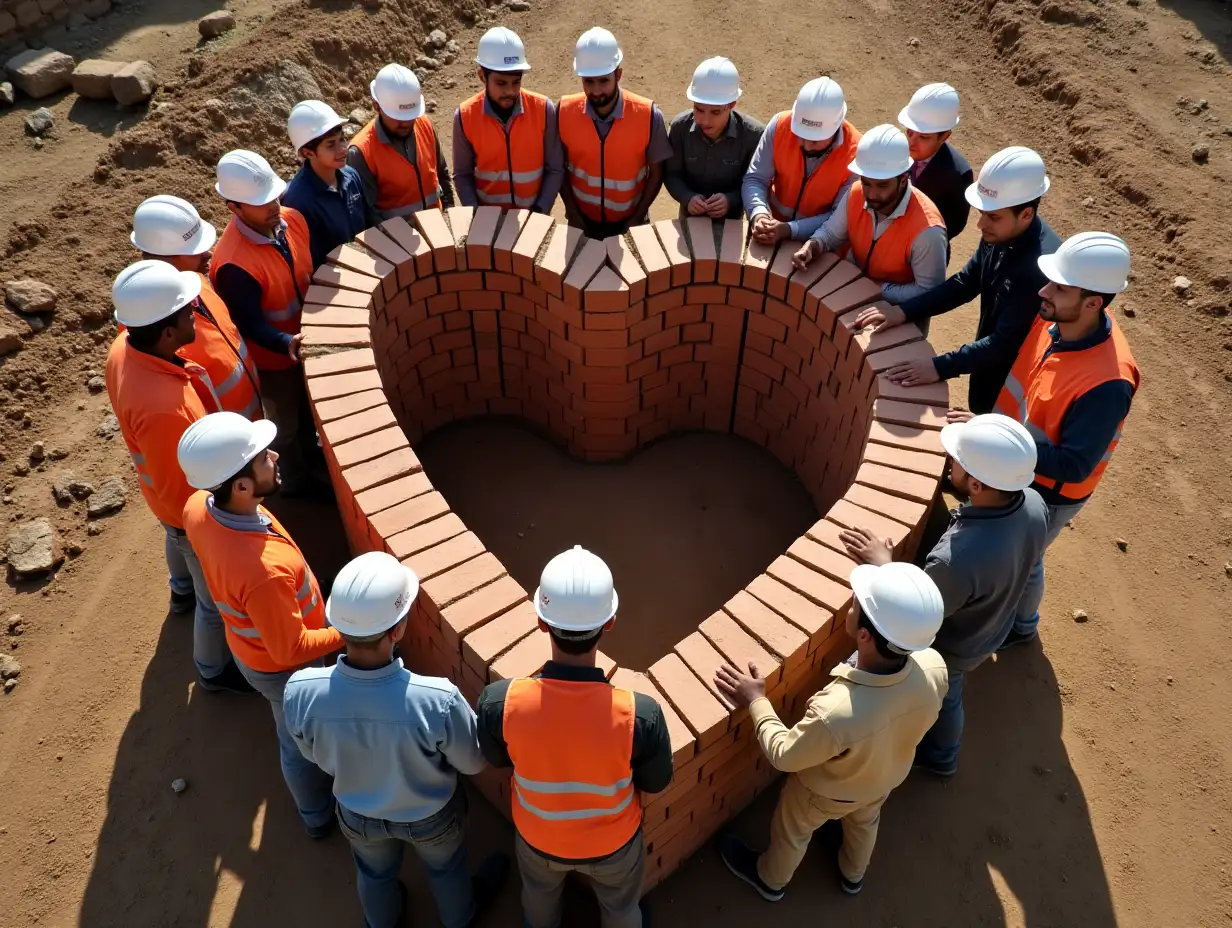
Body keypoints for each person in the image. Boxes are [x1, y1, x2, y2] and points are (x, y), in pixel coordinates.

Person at [284, 551, 509, 928]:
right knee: (447, 869)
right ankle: (461, 919)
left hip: (358, 814)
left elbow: (312, 754)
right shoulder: (437, 699)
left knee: (374, 874)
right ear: (397, 630)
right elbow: (473, 762)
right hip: (432, 817)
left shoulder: (300, 691)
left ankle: (382, 922)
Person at [715, 562, 947, 899]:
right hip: (882, 780)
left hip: (825, 793)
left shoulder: (837, 713)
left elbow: (784, 754)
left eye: (855, 604)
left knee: (793, 830)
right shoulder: (933, 666)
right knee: (864, 823)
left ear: (864, 636)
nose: (850, 605)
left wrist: (756, 701)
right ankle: (853, 875)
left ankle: (770, 880)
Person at [477, 545, 674, 928]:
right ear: (611, 621)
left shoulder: (502, 702)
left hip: (537, 837)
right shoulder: (639, 714)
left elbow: (497, 757)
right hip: (614, 846)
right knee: (621, 908)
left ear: (541, 622)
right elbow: (658, 780)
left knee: (538, 894)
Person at [840, 414, 1047, 777]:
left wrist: (886, 565)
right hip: (995, 623)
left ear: (978, 485)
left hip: (958, 647)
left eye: (958, 461)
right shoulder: (1032, 502)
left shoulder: (955, 560)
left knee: (948, 693)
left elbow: (917, 612)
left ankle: (942, 755)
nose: (950, 461)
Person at [178, 412, 341, 837]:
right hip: (281, 668)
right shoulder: (263, 573)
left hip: (251, 645)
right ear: (242, 486)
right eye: (262, 458)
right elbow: (290, 650)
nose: (273, 455)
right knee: (297, 743)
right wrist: (351, 631)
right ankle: (317, 817)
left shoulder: (198, 506)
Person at [105, 261, 253, 694]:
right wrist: (212, 528)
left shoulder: (125, 348)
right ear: (167, 332)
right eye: (188, 312)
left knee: (176, 543)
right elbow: (187, 488)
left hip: (162, 500)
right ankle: (211, 669)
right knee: (214, 600)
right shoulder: (166, 409)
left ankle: (179, 590)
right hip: (182, 508)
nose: (196, 314)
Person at [991, 231, 1140, 649]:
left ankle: (1022, 627)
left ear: (1093, 302)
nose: (1044, 291)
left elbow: (1074, 464)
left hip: (1051, 492)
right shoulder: (1056, 319)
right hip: (1019, 466)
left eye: (1059, 287)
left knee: (1025, 558)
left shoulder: (1109, 382)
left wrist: (998, 445)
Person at [854, 146, 1058, 415]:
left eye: (993, 216)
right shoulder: (1001, 235)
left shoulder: (1040, 269)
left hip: (1016, 382)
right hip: (989, 367)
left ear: (1026, 214)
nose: (981, 225)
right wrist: (903, 312)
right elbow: (964, 283)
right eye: (982, 213)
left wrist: (939, 367)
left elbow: (1003, 344)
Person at [210, 149, 326, 498]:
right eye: (262, 202)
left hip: (310, 341)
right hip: (275, 362)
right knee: (286, 427)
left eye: (274, 195)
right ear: (234, 207)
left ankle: (318, 464)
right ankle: (296, 485)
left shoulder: (295, 220)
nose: (274, 205)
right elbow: (249, 324)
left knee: (311, 415)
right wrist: (285, 342)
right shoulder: (233, 264)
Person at [129, 195, 262, 420]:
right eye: (194, 250)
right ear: (164, 257)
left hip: (253, 412)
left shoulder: (195, 280)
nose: (207, 254)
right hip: (227, 441)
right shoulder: (151, 325)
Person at [791, 124, 947, 305]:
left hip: (895, 312)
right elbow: (831, 233)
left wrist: (877, 289)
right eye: (866, 183)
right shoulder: (856, 193)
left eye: (882, 186)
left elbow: (929, 291)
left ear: (903, 179)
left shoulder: (928, 231)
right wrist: (813, 245)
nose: (871, 195)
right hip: (852, 291)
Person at [557, 27, 673, 239]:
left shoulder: (647, 115)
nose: (596, 91)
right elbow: (558, 167)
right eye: (588, 82)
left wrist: (638, 217)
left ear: (618, 74)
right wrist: (572, 213)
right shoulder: (564, 112)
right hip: (582, 222)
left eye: (603, 80)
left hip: (631, 222)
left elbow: (657, 173)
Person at [452, 26, 564, 214]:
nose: (510, 92)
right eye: (501, 83)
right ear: (482, 76)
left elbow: (555, 169)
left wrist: (539, 212)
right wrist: (477, 216)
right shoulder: (465, 116)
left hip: (532, 216)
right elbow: (463, 175)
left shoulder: (544, 109)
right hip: (487, 222)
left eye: (516, 82)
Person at [742, 77, 860, 245]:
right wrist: (759, 213)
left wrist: (790, 230)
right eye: (800, 135)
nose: (804, 145)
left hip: (816, 245)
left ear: (836, 127)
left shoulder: (856, 154)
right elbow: (756, 178)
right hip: (770, 232)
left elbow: (838, 218)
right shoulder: (780, 126)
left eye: (814, 140)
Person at [349, 62, 456, 224]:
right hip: (396, 244)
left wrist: (449, 217)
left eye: (410, 116)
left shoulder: (425, 124)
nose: (405, 123)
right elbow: (368, 214)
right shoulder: (361, 152)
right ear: (376, 106)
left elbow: (442, 173)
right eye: (398, 117)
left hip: (439, 231)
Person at [664, 57, 764, 221]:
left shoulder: (753, 135)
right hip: (689, 221)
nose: (705, 120)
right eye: (699, 109)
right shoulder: (679, 128)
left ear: (732, 104)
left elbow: (756, 182)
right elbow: (671, 174)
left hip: (732, 225)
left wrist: (731, 200)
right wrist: (687, 198)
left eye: (715, 112)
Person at [283, 100, 367, 269]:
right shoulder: (298, 202)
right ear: (308, 152)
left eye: (342, 139)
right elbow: (309, 263)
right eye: (331, 144)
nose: (342, 149)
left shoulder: (351, 176)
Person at [896, 83, 973, 248]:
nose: (911, 142)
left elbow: (954, 225)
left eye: (923, 137)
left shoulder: (958, 175)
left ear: (945, 136)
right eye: (909, 132)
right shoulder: (895, 147)